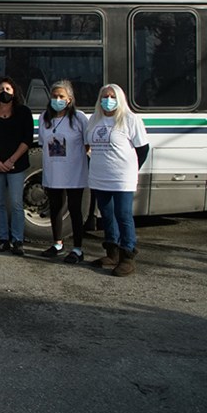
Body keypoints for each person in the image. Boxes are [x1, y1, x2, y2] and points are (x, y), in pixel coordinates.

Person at [86, 84, 149, 277]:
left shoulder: (130, 119)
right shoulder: (94, 120)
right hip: (99, 175)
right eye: (104, 96)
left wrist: (130, 170)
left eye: (112, 96)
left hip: (122, 177)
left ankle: (127, 255)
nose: (108, 99)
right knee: (106, 214)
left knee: (123, 214)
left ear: (120, 98)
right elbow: (88, 145)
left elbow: (143, 149)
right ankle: (111, 252)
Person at [37, 80, 89, 263]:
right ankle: (57, 244)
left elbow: (88, 143)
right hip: (53, 172)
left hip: (74, 173)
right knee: (56, 208)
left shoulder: (79, 118)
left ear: (69, 99)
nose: (57, 99)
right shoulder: (45, 118)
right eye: (54, 96)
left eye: (61, 97)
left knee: (74, 209)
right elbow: (43, 142)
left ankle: (78, 249)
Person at [0, 76, 34, 256]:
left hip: (16, 166)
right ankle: (3, 238)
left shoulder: (23, 112)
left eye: (8, 89)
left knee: (17, 203)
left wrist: (11, 160)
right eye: (1, 89)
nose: (5, 92)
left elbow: (27, 139)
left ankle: (17, 240)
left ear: (14, 92)